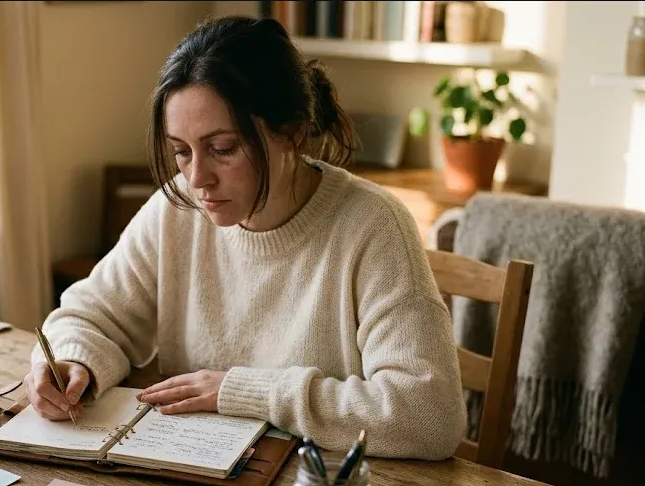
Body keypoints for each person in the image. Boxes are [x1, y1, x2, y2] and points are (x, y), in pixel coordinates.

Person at [24, 15, 466, 460]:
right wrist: (73, 361)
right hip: (196, 477)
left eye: (223, 149)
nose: (198, 178)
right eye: (181, 151)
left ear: (291, 134)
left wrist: (241, 391)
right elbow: (92, 314)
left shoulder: (373, 225)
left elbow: (428, 415)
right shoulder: (178, 207)